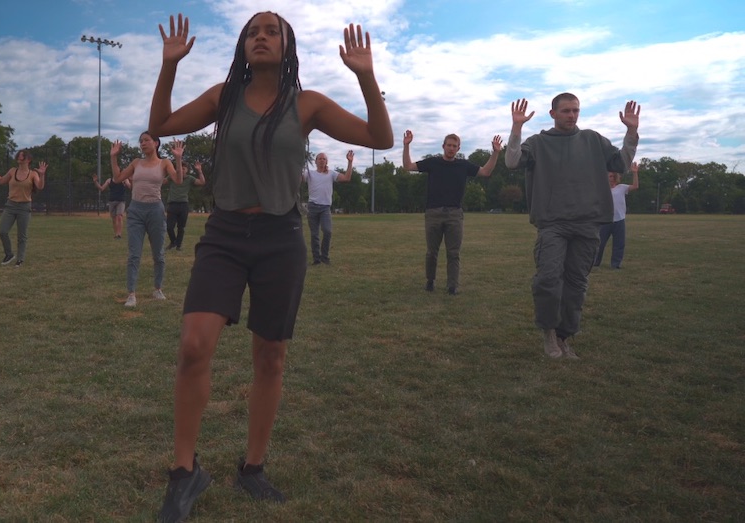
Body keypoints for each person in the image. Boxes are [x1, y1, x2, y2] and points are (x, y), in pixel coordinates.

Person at [148, 12, 392, 522]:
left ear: (287, 45)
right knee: (194, 346)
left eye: (271, 30)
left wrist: (366, 76)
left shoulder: (307, 104)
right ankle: (183, 472)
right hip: (225, 234)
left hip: (281, 237)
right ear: (242, 45)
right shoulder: (223, 97)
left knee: (271, 357)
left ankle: (253, 467)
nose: (260, 36)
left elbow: (380, 138)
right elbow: (160, 127)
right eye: (252, 31)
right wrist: (168, 67)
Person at [505, 94, 640, 359]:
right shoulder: (538, 143)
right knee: (548, 278)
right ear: (552, 113)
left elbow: (622, 163)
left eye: (576, 110)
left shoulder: (592, 140)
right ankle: (549, 332)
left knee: (577, 284)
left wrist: (632, 132)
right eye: (566, 111)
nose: (572, 115)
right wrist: (517, 128)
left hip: (588, 223)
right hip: (552, 223)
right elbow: (511, 161)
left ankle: (565, 336)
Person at [402, 131, 503, 294]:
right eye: (448, 145)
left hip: (454, 214)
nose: (451, 148)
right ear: (443, 146)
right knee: (431, 252)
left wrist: (496, 153)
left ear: (458, 148)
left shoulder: (463, 166)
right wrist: (406, 145)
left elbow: (486, 172)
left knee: (454, 253)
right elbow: (408, 166)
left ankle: (452, 286)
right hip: (433, 213)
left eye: (454, 146)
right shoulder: (433, 163)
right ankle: (430, 280)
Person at [110, 133, 183, 307]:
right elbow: (118, 178)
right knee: (134, 254)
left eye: (146, 140)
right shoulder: (136, 163)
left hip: (155, 211)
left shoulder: (164, 163)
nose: (142, 143)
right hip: (136, 210)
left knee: (159, 254)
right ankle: (131, 294)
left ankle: (158, 288)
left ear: (156, 143)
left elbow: (178, 180)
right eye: (140, 141)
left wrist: (178, 159)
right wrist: (113, 157)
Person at [0, 150, 46, 268]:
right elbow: (0, 181)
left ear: (28, 159)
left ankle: (20, 259)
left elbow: (40, 186)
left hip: (24, 208)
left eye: (22, 155)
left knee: (22, 235)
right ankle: (9, 254)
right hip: (10, 206)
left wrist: (42, 174)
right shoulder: (12, 171)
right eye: (19, 154)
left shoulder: (32, 174)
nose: (19, 156)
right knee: (3, 231)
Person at [301, 150, 354, 265]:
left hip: (325, 208)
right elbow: (299, 179)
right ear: (315, 162)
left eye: (324, 159)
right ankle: (317, 259)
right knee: (314, 234)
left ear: (326, 162)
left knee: (327, 231)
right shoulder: (309, 173)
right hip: (313, 207)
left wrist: (350, 162)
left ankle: (324, 257)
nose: (321, 160)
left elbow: (346, 178)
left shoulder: (331, 174)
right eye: (319, 158)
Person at [595, 161, 639, 269]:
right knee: (599, 243)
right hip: (605, 220)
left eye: (611, 176)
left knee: (619, 244)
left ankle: (615, 264)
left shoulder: (621, 188)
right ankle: (595, 262)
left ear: (615, 177)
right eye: (608, 176)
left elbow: (635, 186)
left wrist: (635, 173)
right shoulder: (602, 189)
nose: (609, 178)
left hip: (619, 220)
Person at [164, 160, 206, 251]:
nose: (181, 170)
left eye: (183, 168)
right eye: (179, 168)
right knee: (169, 226)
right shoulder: (172, 177)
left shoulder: (190, 179)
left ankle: (178, 245)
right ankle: (173, 242)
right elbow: (162, 182)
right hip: (172, 204)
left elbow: (202, 182)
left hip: (183, 205)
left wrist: (199, 171)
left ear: (187, 170)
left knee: (181, 227)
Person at [92, 174, 131, 239]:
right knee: (114, 219)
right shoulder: (109, 180)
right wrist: (95, 182)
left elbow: (130, 186)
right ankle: (116, 234)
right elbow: (101, 188)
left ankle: (119, 234)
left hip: (121, 201)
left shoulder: (124, 179)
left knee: (119, 216)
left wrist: (131, 180)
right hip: (112, 201)